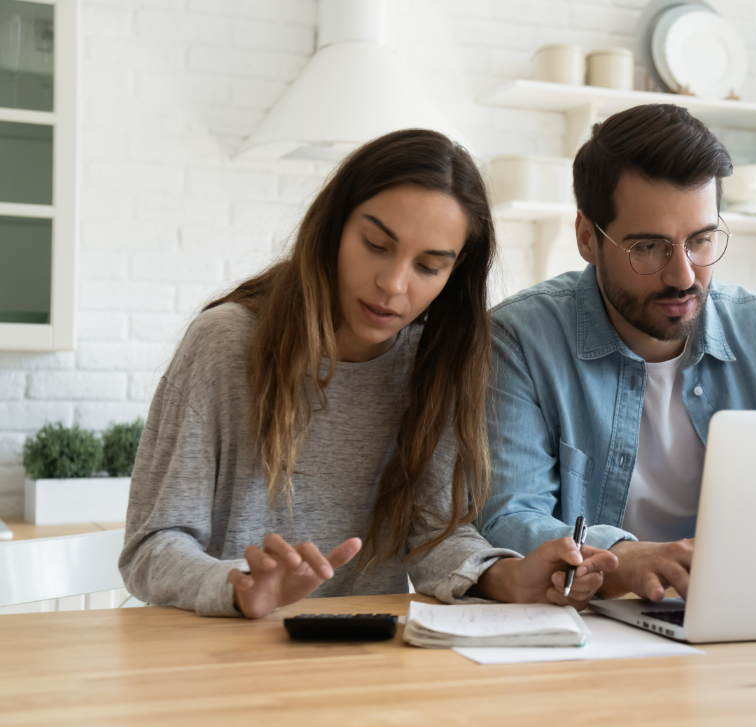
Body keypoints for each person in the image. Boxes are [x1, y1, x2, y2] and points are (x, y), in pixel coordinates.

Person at [119, 129, 616, 619]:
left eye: (428, 266)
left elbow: (432, 537)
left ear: (455, 272)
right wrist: (239, 586)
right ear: (335, 226)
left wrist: (507, 576)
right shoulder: (225, 344)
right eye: (377, 244)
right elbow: (152, 545)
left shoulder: (435, 361)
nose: (393, 284)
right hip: (219, 657)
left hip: (362, 656)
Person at [478, 105, 756, 603]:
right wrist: (625, 558)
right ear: (587, 236)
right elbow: (507, 517)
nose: (683, 276)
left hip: (755, 609)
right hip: (594, 624)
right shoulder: (518, 339)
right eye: (648, 247)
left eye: (701, 240)